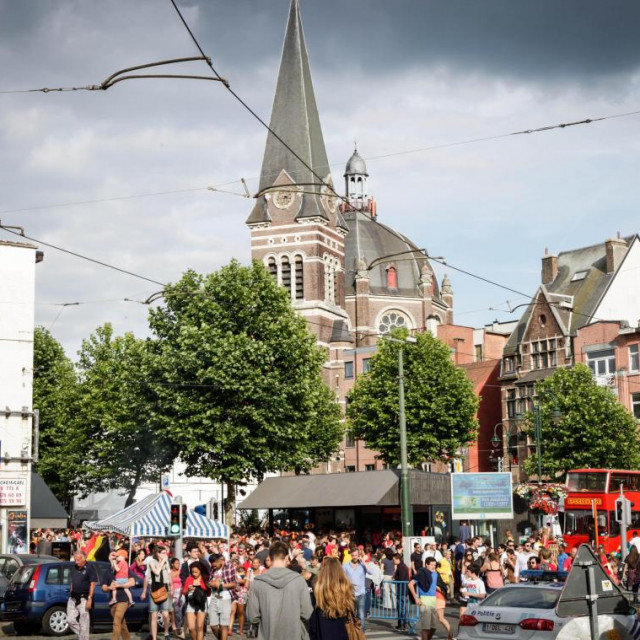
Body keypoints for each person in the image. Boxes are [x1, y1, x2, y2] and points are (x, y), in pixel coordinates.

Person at [246, 540, 313, 640]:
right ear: (286, 557)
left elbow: (252, 616)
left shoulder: (258, 582)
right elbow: (307, 613)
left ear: (270, 557)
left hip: (267, 634)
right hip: (293, 634)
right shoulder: (298, 581)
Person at [309, 557, 355, 640]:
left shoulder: (317, 591)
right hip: (342, 632)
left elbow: (313, 620)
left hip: (322, 632)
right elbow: (351, 610)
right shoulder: (346, 588)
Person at [101, 553, 137, 640]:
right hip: (113, 601)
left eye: (116, 556)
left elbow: (132, 582)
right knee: (121, 623)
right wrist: (109, 587)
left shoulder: (125, 568)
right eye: (113, 556)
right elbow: (103, 587)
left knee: (116, 621)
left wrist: (119, 585)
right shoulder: (107, 571)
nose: (115, 557)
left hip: (123, 599)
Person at [142, 544, 172, 640]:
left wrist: (172, 587)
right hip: (154, 590)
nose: (165, 554)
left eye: (165, 552)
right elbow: (156, 572)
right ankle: (154, 638)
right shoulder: (151, 562)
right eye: (163, 553)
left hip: (164, 589)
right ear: (158, 553)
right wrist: (144, 591)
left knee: (166, 614)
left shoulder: (166, 562)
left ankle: (166, 632)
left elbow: (169, 575)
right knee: (153, 615)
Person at [67, 550, 98, 640]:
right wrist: (71, 589)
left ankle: (83, 638)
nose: (76, 561)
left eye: (78, 560)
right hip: (73, 598)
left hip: (84, 598)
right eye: (75, 559)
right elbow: (72, 581)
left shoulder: (90, 568)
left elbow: (93, 584)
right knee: (70, 620)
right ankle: (83, 636)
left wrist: (90, 598)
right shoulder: (74, 567)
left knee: (84, 622)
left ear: (84, 558)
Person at [208, 553, 238, 640]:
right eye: (212, 564)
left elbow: (234, 584)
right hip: (214, 597)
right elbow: (209, 582)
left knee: (224, 625)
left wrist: (220, 585)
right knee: (213, 625)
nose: (214, 566)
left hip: (225, 598)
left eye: (215, 564)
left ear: (220, 560)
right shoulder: (213, 569)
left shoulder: (230, 567)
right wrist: (211, 584)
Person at [408, 557, 438, 640]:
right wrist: (416, 598)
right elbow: (410, 584)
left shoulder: (435, 574)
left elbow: (432, 585)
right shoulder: (421, 573)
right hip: (424, 601)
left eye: (434, 565)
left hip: (433, 601)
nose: (433, 566)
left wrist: (438, 588)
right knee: (426, 628)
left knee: (434, 627)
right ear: (426, 564)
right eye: (431, 565)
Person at [341, 546, 369, 629]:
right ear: (351, 555)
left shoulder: (362, 565)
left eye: (356, 555)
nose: (354, 557)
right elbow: (342, 578)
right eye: (353, 555)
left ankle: (361, 634)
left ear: (359, 555)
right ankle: (351, 633)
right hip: (350, 594)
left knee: (361, 615)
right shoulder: (345, 566)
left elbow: (370, 571)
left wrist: (363, 561)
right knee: (349, 615)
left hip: (361, 594)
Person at [182, 561, 210, 640]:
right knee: (191, 628)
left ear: (200, 571)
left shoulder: (205, 579)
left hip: (202, 604)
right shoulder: (189, 579)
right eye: (192, 572)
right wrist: (188, 590)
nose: (194, 573)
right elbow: (184, 592)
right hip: (191, 604)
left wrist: (207, 587)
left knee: (200, 627)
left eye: (196, 572)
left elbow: (208, 594)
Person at [392, 553, 410, 631]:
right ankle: (403, 623)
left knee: (401, 607)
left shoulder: (402, 567)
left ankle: (402, 624)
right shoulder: (401, 566)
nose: (393, 561)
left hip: (402, 590)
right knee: (401, 607)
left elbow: (402, 579)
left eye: (394, 560)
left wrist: (394, 580)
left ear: (397, 559)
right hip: (402, 590)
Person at [170, 557, 186, 639]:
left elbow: (184, 582)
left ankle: (180, 627)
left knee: (181, 610)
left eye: (179, 563)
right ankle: (177, 628)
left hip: (181, 591)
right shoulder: (170, 573)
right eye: (176, 563)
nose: (178, 565)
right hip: (174, 592)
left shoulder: (181, 572)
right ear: (172, 564)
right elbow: (170, 583)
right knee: (176, 611)